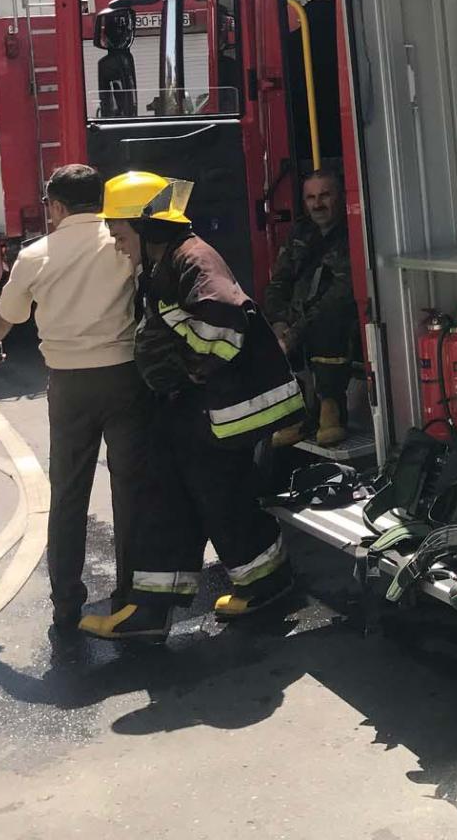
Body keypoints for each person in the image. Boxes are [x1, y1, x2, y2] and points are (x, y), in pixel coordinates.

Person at [80, 171, 301, 641]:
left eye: (119, 233)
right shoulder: (167, 259)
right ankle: (154, 607)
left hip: (219, 409)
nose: (117, 244)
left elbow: (223, 321)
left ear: (145, 226)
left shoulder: (191, 259)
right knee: (172, 495)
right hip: (196, 407)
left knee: (219, 497)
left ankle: (264, 584)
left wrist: (186, 368)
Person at [0, 164, 144, 633]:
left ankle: (66, 602)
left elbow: (4, 314)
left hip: (70, 386)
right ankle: (131, 594)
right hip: (125, 377)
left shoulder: (36, 254)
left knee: (69, 494)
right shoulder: (122, 242)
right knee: (129, 490)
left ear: (55, 205)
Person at [263, 169, 357, 448]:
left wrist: (294, 334)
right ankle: (298, 414)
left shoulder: (351, 235)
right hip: (297, 315)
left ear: (340, 197)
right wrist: (278, 321)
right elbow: (278, 280)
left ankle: (330, 409)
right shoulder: (300, 233)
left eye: (325, 195)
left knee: (329, 323)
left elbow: (340, 295)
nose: (318, 204)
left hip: (335, 319)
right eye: (311, 198)